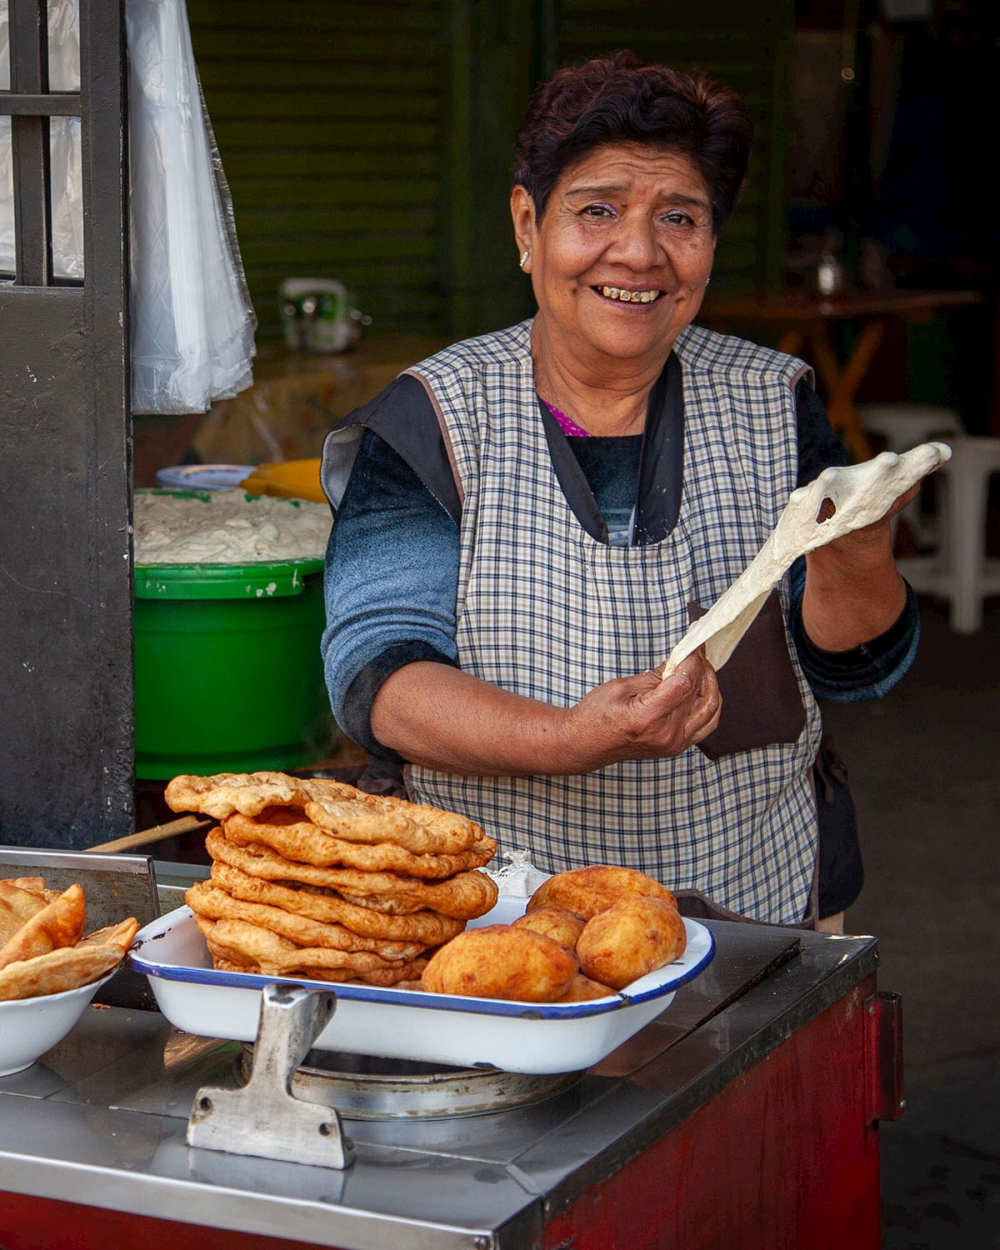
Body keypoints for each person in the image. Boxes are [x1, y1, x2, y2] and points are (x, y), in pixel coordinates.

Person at [320, 52, 920, 931]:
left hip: (756, 900)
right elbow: (380, 677)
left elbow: (849, 662)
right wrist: (569, 741)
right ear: (528, 224)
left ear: (711, 242)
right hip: (495, 913)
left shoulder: (771, 398)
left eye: (679, 217)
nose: (639, 253)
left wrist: (857, 551)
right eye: (596, 210)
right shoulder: (436, 417)